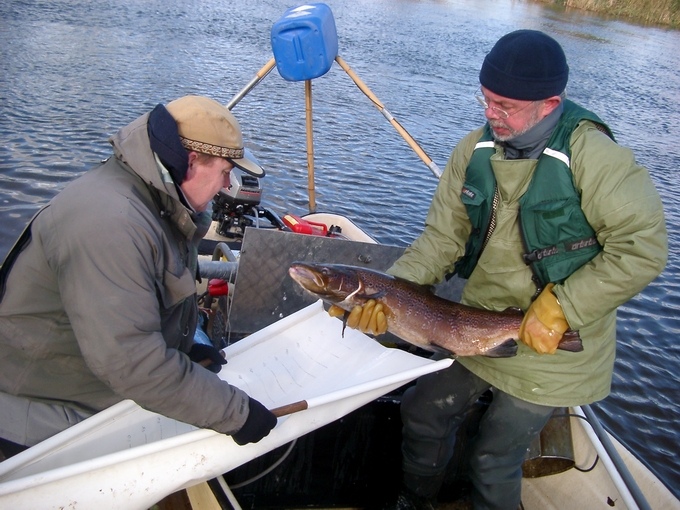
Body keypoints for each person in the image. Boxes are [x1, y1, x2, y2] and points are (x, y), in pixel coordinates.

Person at [337, 30, 668, 509]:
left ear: (549, 103)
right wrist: (388, 293)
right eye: (486, 100)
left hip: (557, 344)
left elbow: (644, 249)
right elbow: (441, 240)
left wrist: (563, 306)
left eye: (505, 106)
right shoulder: (473, 152)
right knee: (423, 411)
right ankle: (415, 499)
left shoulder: (596, 159)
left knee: (494, 454)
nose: (491, 114)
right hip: (475, 324)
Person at [0, 95, 277, 457]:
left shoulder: (154, 200)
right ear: (192, 162)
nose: (227, 185)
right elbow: (130, 361)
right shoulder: (113, 222)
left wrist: (182, 346)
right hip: (36, 412)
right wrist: (236, 413)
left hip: (83, 382)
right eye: (225, 172)